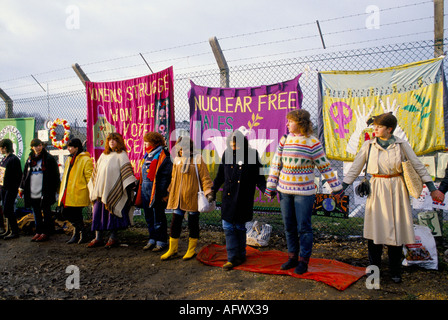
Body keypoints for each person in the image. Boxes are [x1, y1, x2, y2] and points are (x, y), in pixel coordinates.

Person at [342, 112, 437, 283]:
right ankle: (374, 271)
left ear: (389, 129)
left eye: (379, 127)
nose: (375, 129)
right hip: (377, 189)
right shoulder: (369, 145)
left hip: (397, 189)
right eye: (375, 126)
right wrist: (342, 186)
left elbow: (417, 164)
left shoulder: (401, 145)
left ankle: (395, 271)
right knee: (375, 231)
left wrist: (431, 187)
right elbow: (356, 166)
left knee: (397, 230)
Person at [264, 109, 343, 275]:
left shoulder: (312, 142)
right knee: (289, 226)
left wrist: (336, 188)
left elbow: (324, 166)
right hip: (284, 192)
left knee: (304, 228)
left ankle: (303, 261)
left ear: (300, 123)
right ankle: (292, 257)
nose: (287, 124)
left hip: (304, 193)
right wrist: (271, 186)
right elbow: (276, 164)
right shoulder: (285, 140)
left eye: (290, 121)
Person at [211, 130, 266, 270]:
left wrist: (266, 190)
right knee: (228, 227)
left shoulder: (252, 155)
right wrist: (213, 190)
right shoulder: (226, 154)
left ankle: (241, 254)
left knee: (240, 227)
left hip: (244, 197)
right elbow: (220, 176)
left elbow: (259, 176)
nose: (234, 147)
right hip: (228, 197)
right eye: (231, 144)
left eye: (237, 145)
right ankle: (232, 258)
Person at [162, 136, 213, 261]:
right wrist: (169, 192)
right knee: (175, 222)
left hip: (192, 197)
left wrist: (208, 192)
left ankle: (191, 250)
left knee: (193, 223)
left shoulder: (197, 159)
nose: (181, 151)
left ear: (190, 148)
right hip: (178, 198)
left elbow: (205, 177)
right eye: (179, 149)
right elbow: (174, 178)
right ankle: (172, 249)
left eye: (183, 148)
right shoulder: (177, 160)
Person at [87, 132, 137, 248]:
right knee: (97, 213)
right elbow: (96, 173)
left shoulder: (122, 155)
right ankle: (98, 238)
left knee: (112, 213)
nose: (111, 142)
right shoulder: (103, 155)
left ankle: (113, 238)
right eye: (109, 140)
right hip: (100, 192)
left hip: (114, 192)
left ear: (119, 142)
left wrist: (130, 184)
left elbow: (127, 174)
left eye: (114, 140)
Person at [135, 132, 172, 252]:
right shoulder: (148, 155)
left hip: (156, 191)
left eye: (147, 141)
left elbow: (166, 176)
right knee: (149, 215)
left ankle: (161, 241)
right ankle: (152, 238)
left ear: (154, 142)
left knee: (158, 216)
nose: (144, 143)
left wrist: (162, 193)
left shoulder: (163, 155)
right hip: (145, 189)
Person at [19, 138, 60, 242]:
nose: (38, 148)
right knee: (36, 212)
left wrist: (57, 187)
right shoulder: (30, 159)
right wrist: (21, 187)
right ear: (32, 147)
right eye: (35, 146)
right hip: (32, 190)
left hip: (44, 191)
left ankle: (45, 232)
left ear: (42, 146)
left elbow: (55, 174)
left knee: (46, 211)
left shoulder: (48, 158)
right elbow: (25, 175)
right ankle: (38, 231)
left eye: (40, 145)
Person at [58, 138, 93, 244]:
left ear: (77, 147)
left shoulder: (85, 159)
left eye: (70, 146)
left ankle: (79, 233)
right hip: (69, 191)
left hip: (78, 191)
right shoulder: (69, 159)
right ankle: (80, 232)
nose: (68, 149)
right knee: (67, 212)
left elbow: (89, 176)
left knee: (75, 213)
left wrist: (91, 190)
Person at [0, 139, 23, 240]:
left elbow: (18, 176)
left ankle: (14, 231)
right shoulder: (4, 159)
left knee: (8, 209)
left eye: (1, 148)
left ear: (5, 148)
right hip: (3, 188)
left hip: (10, 188)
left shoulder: (13, 159)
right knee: (6, 210)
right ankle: (8, 230)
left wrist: (14, 187)